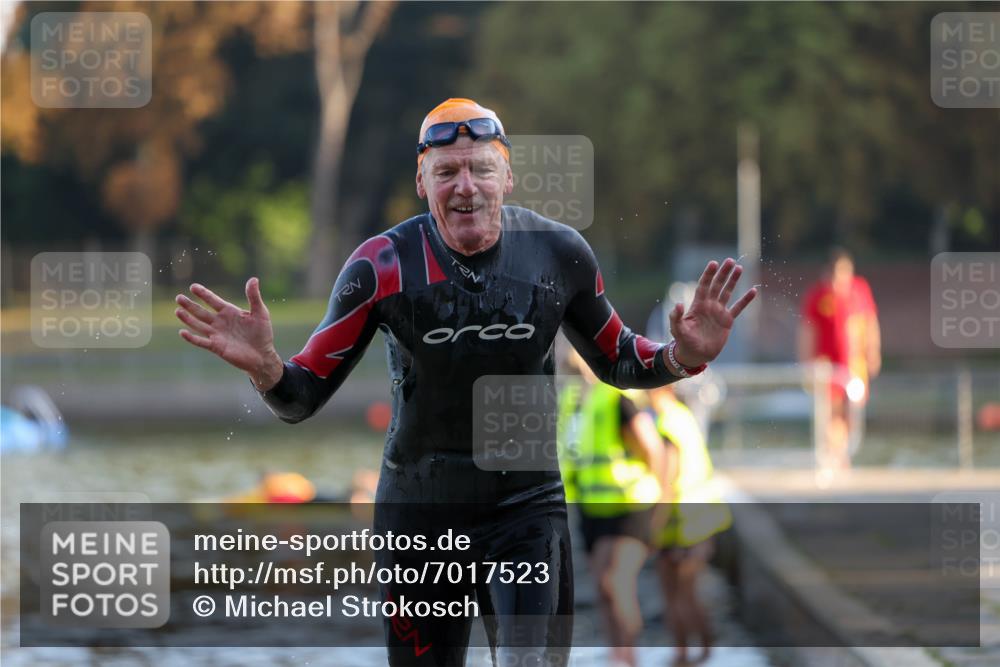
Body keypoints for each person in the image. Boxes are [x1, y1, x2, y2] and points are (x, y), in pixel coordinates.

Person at [174, 97, 757, 666]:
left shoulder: (558, 254)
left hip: (526, 510)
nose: (465, 187)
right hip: (418, 514)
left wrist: (680, 357)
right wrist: (268, 367)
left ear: (508, 177)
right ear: (422, 184)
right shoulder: (381, 266)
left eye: (481, 169)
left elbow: (619, 359)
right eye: (446, 172)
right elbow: (301, 397)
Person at [558, 349, 673, 667]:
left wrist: (660, 505)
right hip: (593, 508)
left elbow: (654, 450)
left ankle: (630, 657)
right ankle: (617, 657)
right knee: (602, 587)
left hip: (630, 506)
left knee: (615, 581)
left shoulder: (616, 398)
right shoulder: (574, 400)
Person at [648, 384, 730, 665]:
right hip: (700, 518)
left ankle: (689, 655)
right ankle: (701, 654)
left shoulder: (666, 422)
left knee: (678, 593)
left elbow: (668, 479)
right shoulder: (682, 416)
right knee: (688, 592)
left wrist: (653, 527)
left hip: (680, 523)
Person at [798, 248, 881, 474]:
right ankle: (835, 456)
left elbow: (870, 322)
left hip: (854, 365)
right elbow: (808, 331)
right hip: (827, 365)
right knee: (830, 412)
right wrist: (806, 362)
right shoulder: (819, 296)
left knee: (851, 413)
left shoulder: (859, 291)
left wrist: (873, 351)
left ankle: (841, 453)